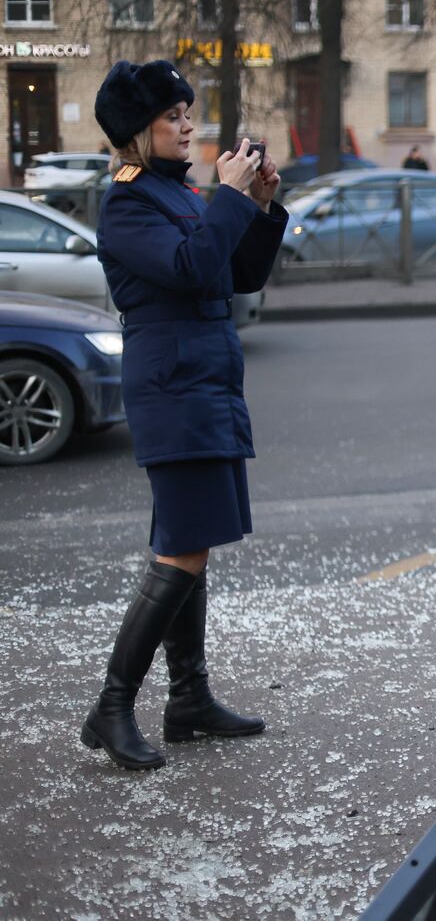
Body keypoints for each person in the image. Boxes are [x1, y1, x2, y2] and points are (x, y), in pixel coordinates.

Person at [81, 60, 287, 770]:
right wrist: (228, 199)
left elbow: (235, 276)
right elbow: (195, 268)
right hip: (174, 387)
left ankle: (188, 698)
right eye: (173, 116)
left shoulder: (178, 194)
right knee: (183, 548)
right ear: (140, 131)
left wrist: (257, 205)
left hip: (203, 382)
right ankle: (111, 706)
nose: (188, 124)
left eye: (187, 112)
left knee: (189, 537)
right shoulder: (128, 203)